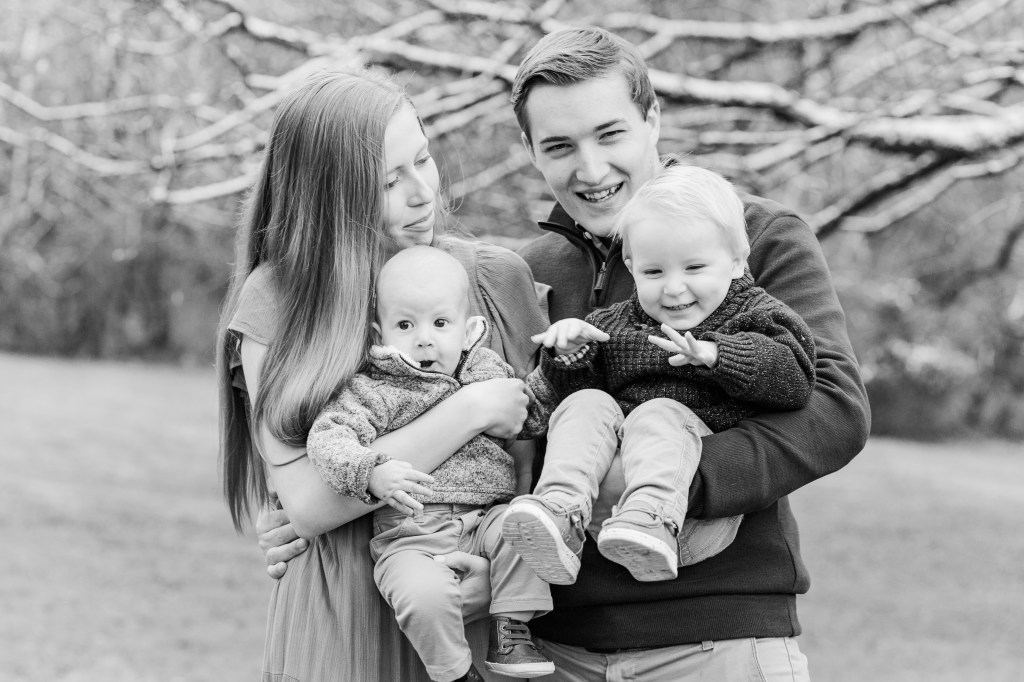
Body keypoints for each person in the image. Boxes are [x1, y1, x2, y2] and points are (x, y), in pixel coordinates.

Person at [259, 27, 871, 681]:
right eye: (559, 146)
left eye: (610, 135)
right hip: (559, 650)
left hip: (714, 638)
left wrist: (661, 485)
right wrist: (333, 512)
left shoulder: (751, 236)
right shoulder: (526, 273)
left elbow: (834, 410)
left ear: (652, 119)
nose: (591, 169)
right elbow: (500, 436)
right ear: (530, 151)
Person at [217, 68, 549, 682]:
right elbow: (309, 504)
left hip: (470, 604)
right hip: (341, 619)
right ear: (328, 198)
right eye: (389, 181)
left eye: (423, 159)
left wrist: (503, 578)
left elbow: (540, 471)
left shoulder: (495, 279)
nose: (423, 193)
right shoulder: (281, 299)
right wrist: (471, 410)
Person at [503, 164, 816, 585]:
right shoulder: (613, 325)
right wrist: (571, 356)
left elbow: (795, 378)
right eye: (654, 272)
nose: (673, 288)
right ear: (631, 266)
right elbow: (559, 410)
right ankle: (560, 512)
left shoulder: (756, 315)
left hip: (692, 521)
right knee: (586, 402)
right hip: (605, 518)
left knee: (658, 411)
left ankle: (650, 518)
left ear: (737, 261)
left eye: (694, 268)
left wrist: (718, 354)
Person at [305, 245, 554, 681]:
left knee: (525, 529)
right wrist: (370, 470)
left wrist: (559, 367)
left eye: (440, 323)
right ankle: (454, 672)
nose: (424, 338)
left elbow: (531, 418)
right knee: (421, 596)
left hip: (488, 517)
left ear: (468, 329)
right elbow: (328, 437)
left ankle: (512, 630)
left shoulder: (487, 371)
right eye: (405, 325)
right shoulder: (374, 389)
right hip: (412, 532)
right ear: (379, 334)